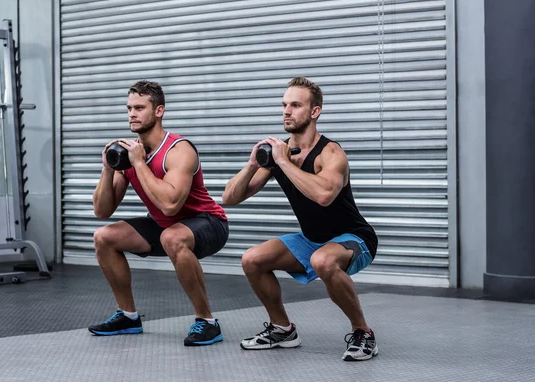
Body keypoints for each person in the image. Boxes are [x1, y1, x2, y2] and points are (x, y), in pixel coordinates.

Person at [222, 77, 379, 361]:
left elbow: (324, 196)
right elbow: (229, 199)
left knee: (323, 260)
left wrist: (282, 162)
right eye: (284, 105)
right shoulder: (279, 153)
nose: (286, 111)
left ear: (315, 111)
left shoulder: (331, 153)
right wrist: (252, 164)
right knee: (252, 259)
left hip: (354, 238)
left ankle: (363, 332)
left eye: (295, 105)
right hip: (312, 239)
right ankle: (283, 329)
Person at [90, 80, 229, 347]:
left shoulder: (178, 150)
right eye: (129, 108)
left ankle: (208, 322)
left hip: (209, 223)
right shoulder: (129, 155)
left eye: (140, 108)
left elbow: (170, 205)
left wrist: (139, 163)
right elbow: (102, 210)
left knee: (172, 238)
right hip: (166, 227)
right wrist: (108, 168)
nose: (132, 113)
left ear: (159, 111)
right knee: (104, 237)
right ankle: (128, 316)